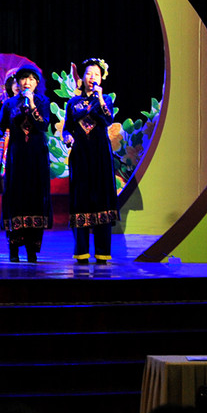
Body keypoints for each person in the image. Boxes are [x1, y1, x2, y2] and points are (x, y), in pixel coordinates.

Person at [63, 57, 119, 264]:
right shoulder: (73, 103)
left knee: (102, 198)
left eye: (96, 74)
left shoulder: (106, 99)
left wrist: (101, 98)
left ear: (101, 78)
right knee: (81, 199)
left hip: (100, 155)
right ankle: (82, 252)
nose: (92, 77)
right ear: (83, 77)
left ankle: (102, 253)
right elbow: (67, 127)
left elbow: (107, 119)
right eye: (88, 73)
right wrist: (67, 137)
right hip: (80, 155)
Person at [0, 65, 52, 262]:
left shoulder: (43, 101)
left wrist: (32, 103)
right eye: (23, 78)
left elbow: (43, 125)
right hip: (17, 156)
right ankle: (13, 248)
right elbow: (0, 127)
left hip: (37, 156)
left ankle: (32, 249)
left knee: (35, 198)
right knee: (16, 199)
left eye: (31, 79)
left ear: (37, 83)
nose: (27, 82)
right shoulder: (9, 103)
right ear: (17, 82)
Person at [0, 73, 20, 176]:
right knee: (4, 173)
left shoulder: (28, 102)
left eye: (19, 83)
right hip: (4, 137)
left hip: (19, 137)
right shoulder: (4, 102)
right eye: (14, 83)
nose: (17, 86)